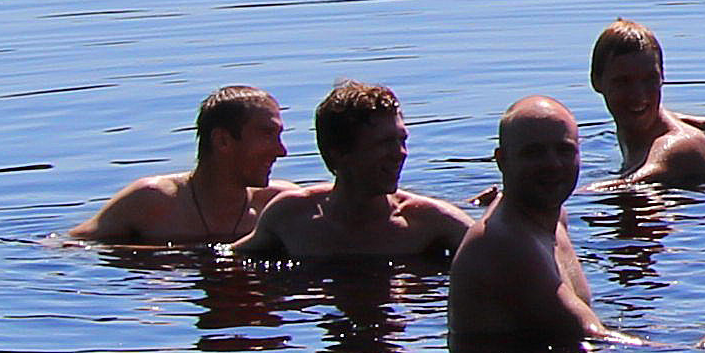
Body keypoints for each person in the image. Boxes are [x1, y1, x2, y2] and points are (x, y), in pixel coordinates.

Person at [244, 80, 480, 266]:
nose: (400, 153)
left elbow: (492, 254)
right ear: (339, 153)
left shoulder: (429, 222)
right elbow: (232, 257)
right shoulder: (291, 216)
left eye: (401, 140)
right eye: (384, 143)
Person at [448, 97, 603, 351]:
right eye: (534, 153)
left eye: (564, 150)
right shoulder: (505, 244)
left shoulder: (553, 219)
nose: (553, 164)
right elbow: (591, 336)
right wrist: (674, 351)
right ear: (502, 160)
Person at [74, 85, 288, 245]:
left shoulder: (279, 205)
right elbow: (72, 246)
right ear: (222, 140)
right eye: (267, 134)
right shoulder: (153, 200)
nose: (281, 150)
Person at [587, 19, 705, 192]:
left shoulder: (678, 145)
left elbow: (632, 181)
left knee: (649, 202)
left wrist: (575, 193)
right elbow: (703, 123)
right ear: (596, 82)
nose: (639, 95)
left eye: (649, 79)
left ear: (662, 77)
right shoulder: (658, 121)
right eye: (623, 82)